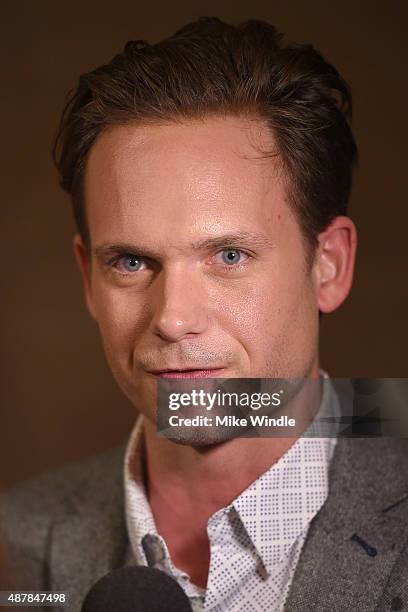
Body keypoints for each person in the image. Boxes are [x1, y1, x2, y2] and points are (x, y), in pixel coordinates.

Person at [2, 17, 408, 612]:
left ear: (329, 265)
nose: (172, 318)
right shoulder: (13, 550)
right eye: (133, 262)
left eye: (229, 255)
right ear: (88, 277)